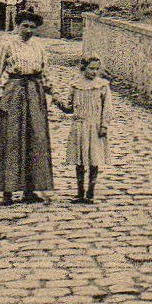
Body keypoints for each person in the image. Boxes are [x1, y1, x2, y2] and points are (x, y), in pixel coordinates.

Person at [0, 11, 54, 205]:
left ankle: (29, 190)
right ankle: (7, 191)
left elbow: (45, 74)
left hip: (34, 93)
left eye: (32, 27)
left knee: (35, 139)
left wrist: (53, 93)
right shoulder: (6, 46)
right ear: (17, 26)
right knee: (11, 139)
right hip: (13, 92)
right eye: (25, 26)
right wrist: (0, 98)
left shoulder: (39, 47)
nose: (29, 30)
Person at [53, 56, 112, 203]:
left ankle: (90, 192)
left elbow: (107, 109)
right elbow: (69, 108)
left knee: (94, 159)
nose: (94, 72)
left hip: (95, 126)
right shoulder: (75, 86)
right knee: (79, 160)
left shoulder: (102, 86)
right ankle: (80, 192)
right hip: (79, 126)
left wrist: (104, 125)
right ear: (83, 68)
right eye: (91, 68)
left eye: (97, 69)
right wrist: (58, 102)